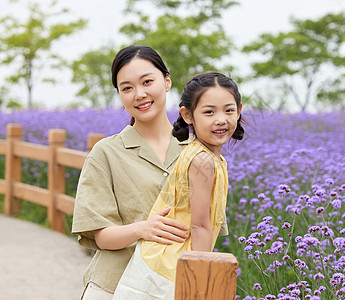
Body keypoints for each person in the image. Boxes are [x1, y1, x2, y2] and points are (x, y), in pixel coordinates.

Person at [71, 45, 228, 299]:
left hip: (176, 288)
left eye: (147, 81)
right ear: (120, 94)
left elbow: (207, 229)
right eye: (127, 88)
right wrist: (142, 229)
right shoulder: (106, 153)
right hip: (113, 286)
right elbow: (101, 236)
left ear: (166, 81)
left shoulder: (199, 154)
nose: (139, 94)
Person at [113, 72, 244, 299]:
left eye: (229, 110)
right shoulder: (202, 160)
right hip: (169, 268)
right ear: (188, 115)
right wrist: (203, 282)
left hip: (165, 262)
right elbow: (200, 226)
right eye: (209, 112)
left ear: (239, 110)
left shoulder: (210, 157)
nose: (221, 119)